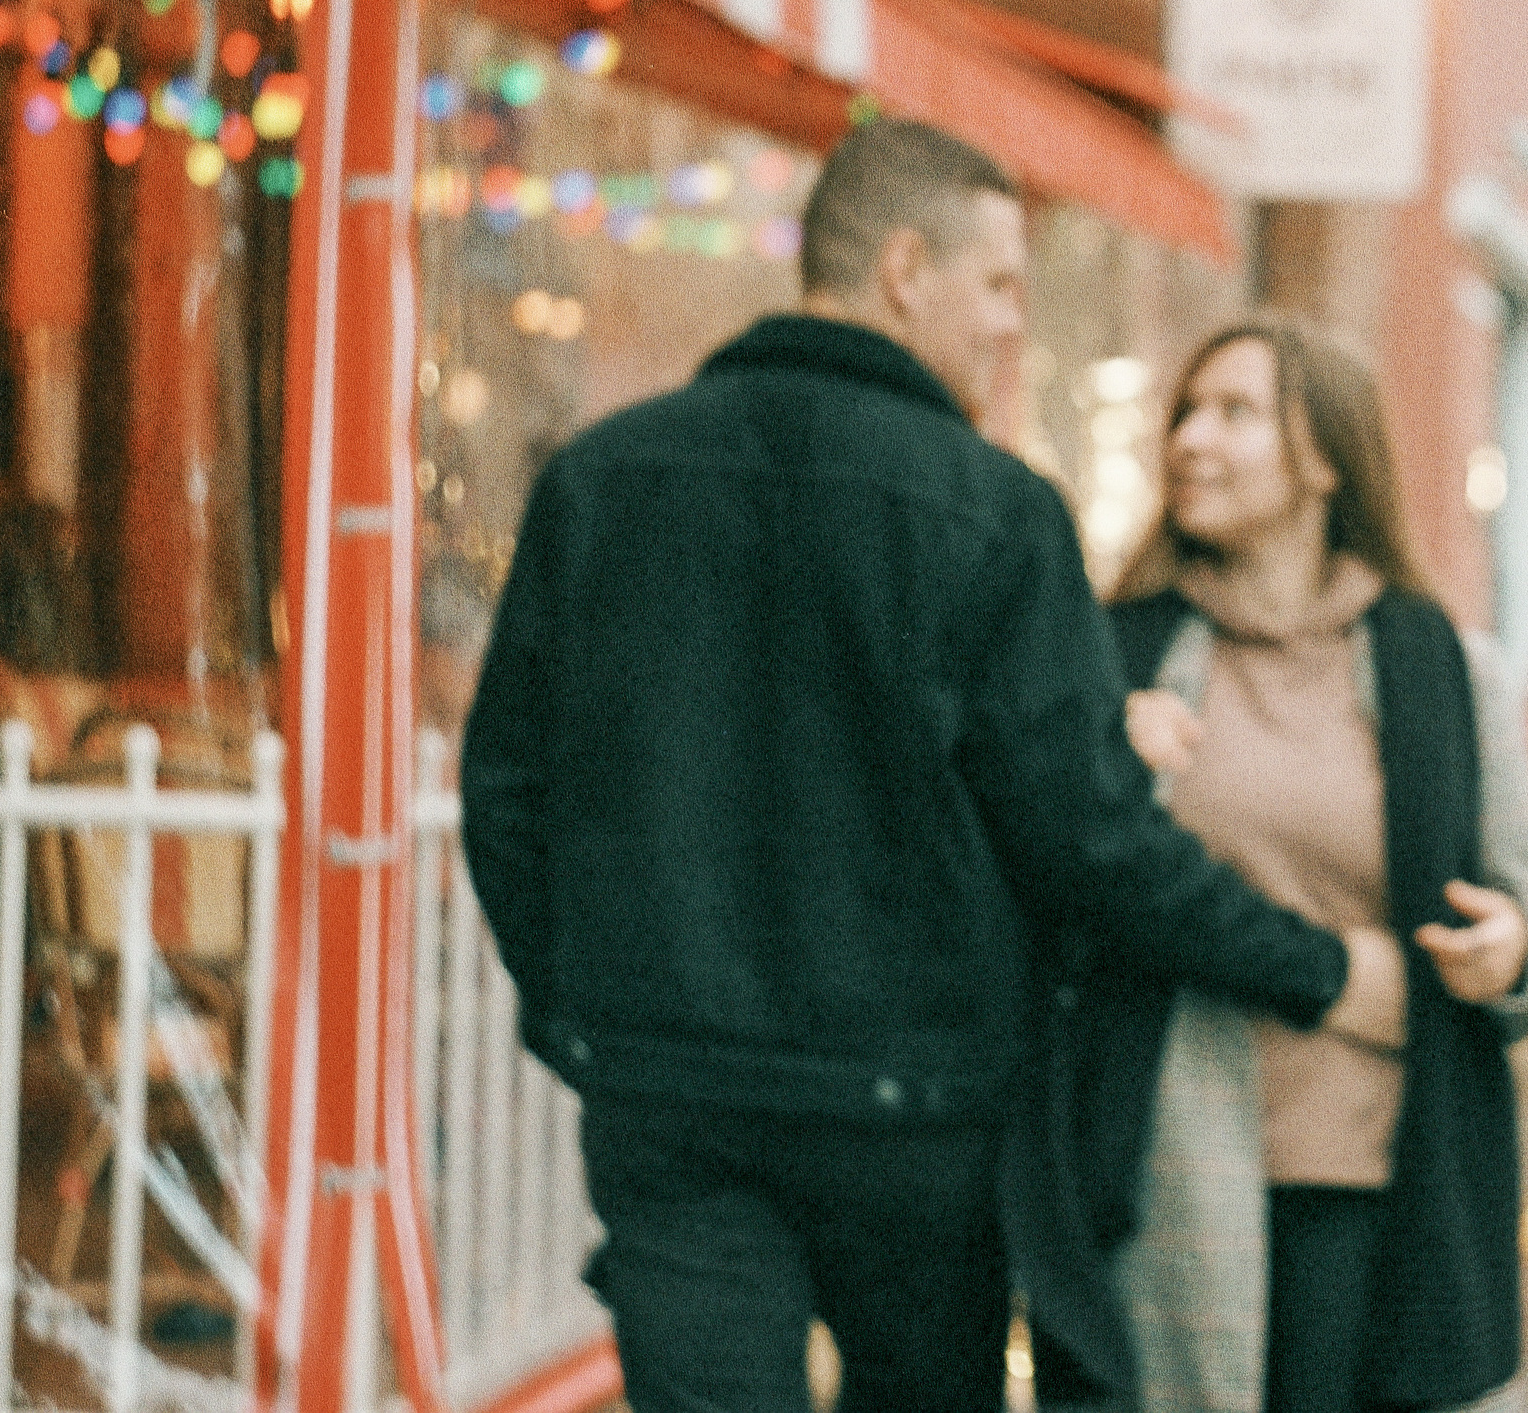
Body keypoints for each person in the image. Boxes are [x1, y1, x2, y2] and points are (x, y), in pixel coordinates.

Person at [459, 120, 1400, 1413]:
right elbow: (1092, 842)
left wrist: (583, 1012)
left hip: (669, 1093)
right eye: (999, 282)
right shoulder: (996, 514)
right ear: (905, 269)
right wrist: (1318, 967)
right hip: (921, 1119)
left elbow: (507, 792)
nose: (1013, 320)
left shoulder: (601, 481)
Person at [1082, 316, 1528, 1413]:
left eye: (1236, 413)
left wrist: (1514, 948)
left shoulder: (1442, 668)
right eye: (1187, 411)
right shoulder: (1122, 651)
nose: (1191, 438)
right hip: (1166, 1167)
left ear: (1324, 460)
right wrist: (1104, 759)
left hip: (1380, 1177)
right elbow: (1072, 885)